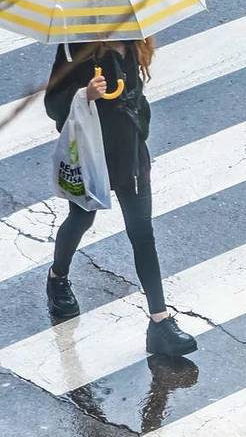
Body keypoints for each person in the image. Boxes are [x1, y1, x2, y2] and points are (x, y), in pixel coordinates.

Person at [43, 39, 197, 357]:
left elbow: (138, 98)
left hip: (130, 152)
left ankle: (160, 322)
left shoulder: (133, 43)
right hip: (91, 153)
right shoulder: (76, 47)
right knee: (81, 218)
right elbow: (53, 104)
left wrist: (140, 130)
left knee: (142, 233)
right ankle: (57, 276)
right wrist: (86, 94)